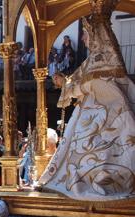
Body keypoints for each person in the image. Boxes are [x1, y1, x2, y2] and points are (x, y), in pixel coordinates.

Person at [39, 6, 135, 200]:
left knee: (95, 160)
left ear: (95, 34)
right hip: (91, 115)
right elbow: (79, 83)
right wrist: (64, 82)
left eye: (85, 34)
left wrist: (73, 87)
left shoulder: (104, 61)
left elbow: (97, 86)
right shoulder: (91, 61)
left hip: (105, 120)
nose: (82, 39)